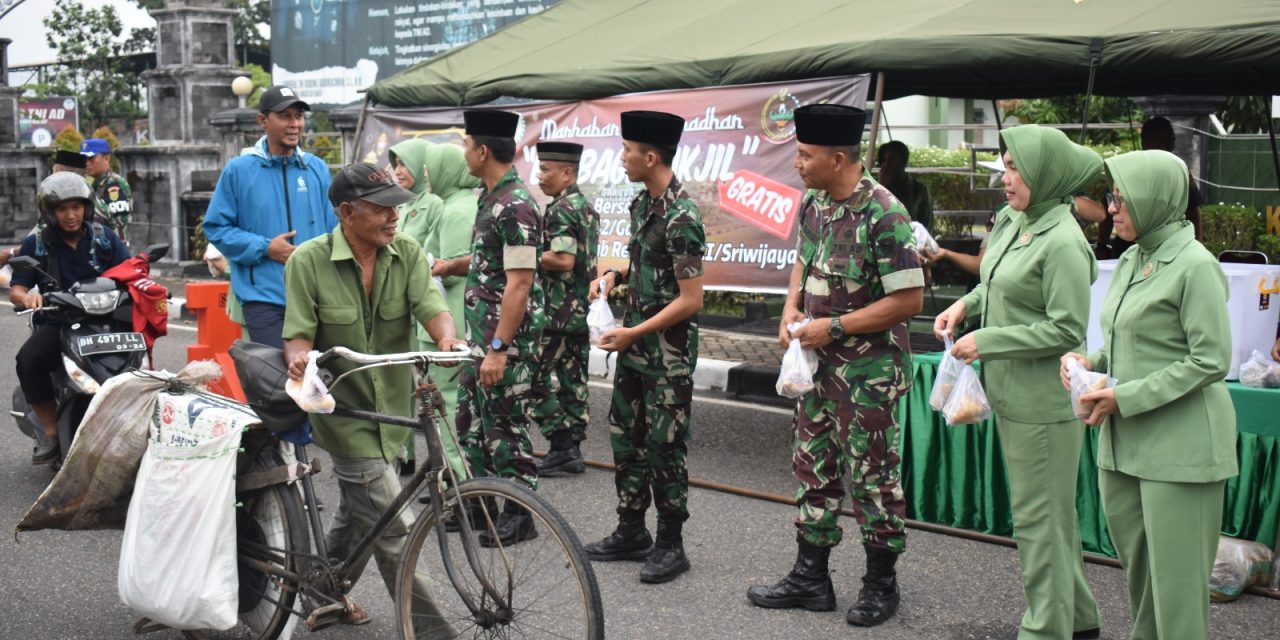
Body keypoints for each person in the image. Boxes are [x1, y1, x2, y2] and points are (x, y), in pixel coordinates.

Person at [746, 105, 923, 627]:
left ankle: (879, 584)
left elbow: (908, 300)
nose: (797, 163)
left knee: (872, 477)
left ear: (838, 157)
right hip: (816, 366)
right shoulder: (816, 204)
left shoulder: (885, 214)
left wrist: (838, 328)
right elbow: (805, 258)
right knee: (812, 467)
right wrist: (791, 310)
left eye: (805, 155)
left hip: (869, 373)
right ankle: (810, 578)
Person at [934, 124, 1103, 640]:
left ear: (1045, 175)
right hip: (1010, 391)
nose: (1005, 178)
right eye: (1004, 166)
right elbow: (994, 280)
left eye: (1015, 168)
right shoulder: (1013, 218)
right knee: (1051, 516)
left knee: (1038, 519)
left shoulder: (1064, 240)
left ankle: (1044, 627)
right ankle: (1077, 618)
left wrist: (988, 341)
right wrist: (967, 303)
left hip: (1044, 402)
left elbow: (1066, 327)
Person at [1061, 150, 1237, 640]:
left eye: (1119, 198)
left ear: (1153, 198)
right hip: (1125, 445)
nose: (1111, 208)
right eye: (1110, 197)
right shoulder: (1135, 256)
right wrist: (1089, 362)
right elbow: (1125, 338)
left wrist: (1124, 396)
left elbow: (1210, 360)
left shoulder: (1194, 265)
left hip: (1180, 448)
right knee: (1142, 586)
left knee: (1177, 595)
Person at [282, 162, 465, 630]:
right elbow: (298, 335)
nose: (393, 217)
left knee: (359, 509)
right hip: (343, 409)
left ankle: (318, 587)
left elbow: (431, 306)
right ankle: (431, 631)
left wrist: (447, 339)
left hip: (394, 410)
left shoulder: (405, 251)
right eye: (382, 209)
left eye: (396, 207)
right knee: (393, 525)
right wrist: (301, 360)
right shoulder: (308, 261)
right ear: (347, 212)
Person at [585, 110, 705, 585]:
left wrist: (634, 333)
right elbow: (645, 267)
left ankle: (671, 544)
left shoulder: (683, 216)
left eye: (627, 150)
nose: (622, 158)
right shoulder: (645, 205)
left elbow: (691, 299)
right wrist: (615, 276)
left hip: (667, 357)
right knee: (626, 437)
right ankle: (631, 529)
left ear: (650, 156)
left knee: (664, 447)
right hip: (636, 349)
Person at [440, 109, 546, 546]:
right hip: (481, 337)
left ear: (483, 151)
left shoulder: (516, 205)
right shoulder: (492, 196)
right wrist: (450, 264)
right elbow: (490, 262)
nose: (464, 153)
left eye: (466, 145)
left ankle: (520, 512)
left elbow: (520, 283)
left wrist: (500, 348)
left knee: (504, 426)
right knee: (471, 423)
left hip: (505, 340)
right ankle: (480, 504)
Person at [204, 85, 337, 349]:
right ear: (263, 121)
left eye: (298, 117)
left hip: (316, 297)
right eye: (285, 116)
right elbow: (217, 227)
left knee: (319, 381)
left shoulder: (316, 168)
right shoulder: (239, 170)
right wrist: (265, 248)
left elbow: (335, 228)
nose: (294, 124)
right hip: (264, 298)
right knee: (278, 381)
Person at [11, 173, 129, 464]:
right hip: (58, 320)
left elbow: (130, 271)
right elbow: (17, 289)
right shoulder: (36, 244)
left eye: (76, 207)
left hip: (106, 319)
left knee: (140, 360)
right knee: (28, 359)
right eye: (62, 209)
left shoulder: (103, 238)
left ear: (86, 208)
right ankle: (50, 432)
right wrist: (28, 298)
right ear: (50, 213)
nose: (71, 215)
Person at [416, 142, 484, 499]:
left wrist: (432, 266)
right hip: (454, 318)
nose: (427, 175)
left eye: (432, 168)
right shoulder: (461, 204)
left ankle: (459, 488)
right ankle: (455, 481)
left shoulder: (456, 210)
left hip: (450, 321)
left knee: (447, 406)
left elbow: (457, 268)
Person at [530, 141, 600, 475]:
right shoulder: (584, 206)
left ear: (567, 172)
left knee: (532, 378)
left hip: (556, 312)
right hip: (577, 311)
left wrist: (520, 254)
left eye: (546, 170)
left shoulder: (560, 209)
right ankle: (572, 448)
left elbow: (563, 259)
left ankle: (561, 445)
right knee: (574, 380)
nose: (540, 176)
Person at [388, 137, 448, 477]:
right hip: (397, 306)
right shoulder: (394, 205)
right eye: (395, 165)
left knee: (423, 387)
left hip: (422, 301)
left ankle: (434, 461)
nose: (399, 171)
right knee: (399, 382)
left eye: (405, 164)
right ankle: (403, 452)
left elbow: (435, 254)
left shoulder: (435, 204)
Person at [1096, 117, 1203, 257]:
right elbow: (1108, 211)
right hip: (1128, 245)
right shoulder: (1128, 170)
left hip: (1169, 247)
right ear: (1145, 141)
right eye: (1165, 138)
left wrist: (1196, 245)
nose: (1172, 142)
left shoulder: (1180, 172)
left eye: (1172, 138)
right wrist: (1102, 245)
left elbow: (1193, 211)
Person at [81, 137, 133, 246]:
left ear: (106, 158)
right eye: (84, 158)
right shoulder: (97, 183)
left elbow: (118, 225)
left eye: (91, 158)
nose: (86, 163)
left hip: (115, 251)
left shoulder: (114, 184)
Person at [876, 140, 933, 232]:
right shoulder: (876, 186)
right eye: (884, 160)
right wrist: (881, 185)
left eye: (892, 160)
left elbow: (927, 225)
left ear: (903, 161)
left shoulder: (918, 190)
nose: (886, 165)